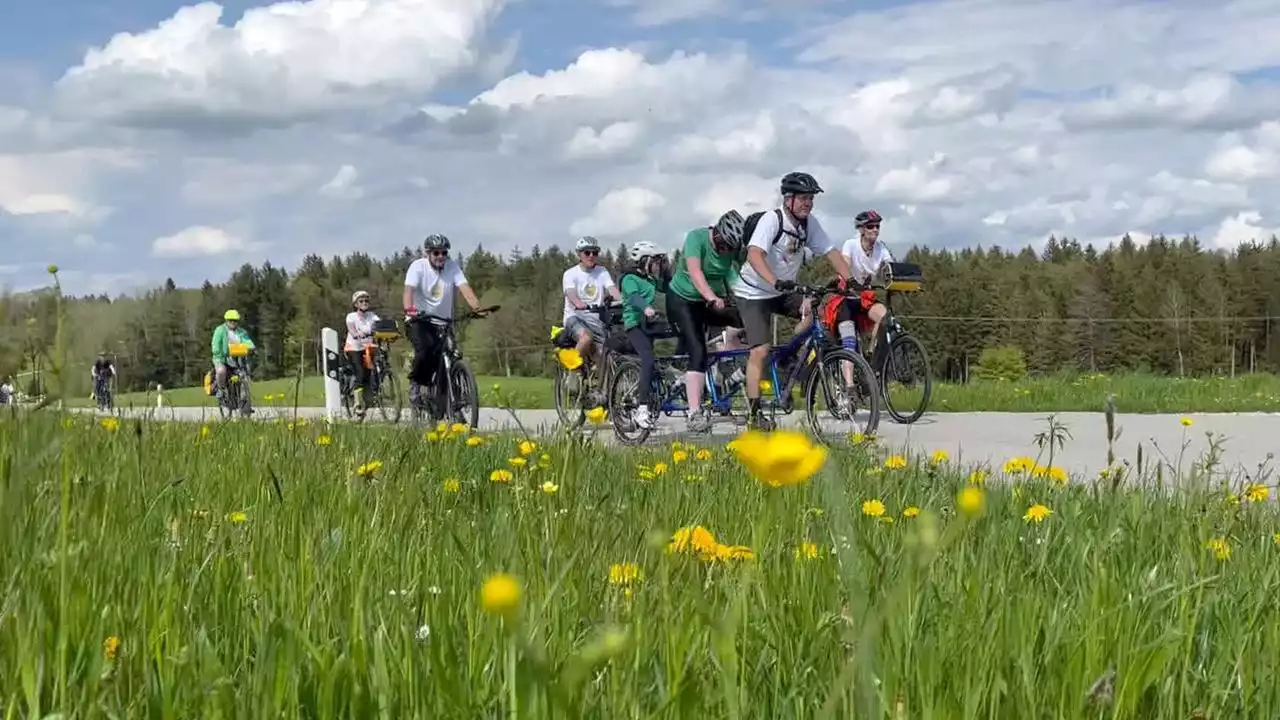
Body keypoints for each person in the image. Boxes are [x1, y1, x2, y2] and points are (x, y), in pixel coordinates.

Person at [728, 171, 853, 431]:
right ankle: (754, 416)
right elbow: (754, 254)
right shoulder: (771, 221)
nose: (808, 203)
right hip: (753, 293)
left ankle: (788, 356)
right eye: (804, 198)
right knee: (760, 351)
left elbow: (831, 253)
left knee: (815, 311)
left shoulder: (809, 225)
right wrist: (774, 281)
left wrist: (851, 282)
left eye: (811, 198)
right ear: (788, 199)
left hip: (782, 291)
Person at [666, 209, 748, 433]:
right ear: (718, 233)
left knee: (745, 320)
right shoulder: (696, 238)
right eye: (723, 246)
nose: (725, 251)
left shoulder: (730, 252)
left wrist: (748, 302)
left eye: (730, 248)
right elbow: (696, 273)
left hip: (710, 302)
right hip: (682, 301)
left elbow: (734, 278)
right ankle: (694, 414)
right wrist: (711, 297)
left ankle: (729, 364)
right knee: (697, 350)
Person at [402, 233, 485, 418]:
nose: (441, 257)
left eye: (444, 253)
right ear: (428, 253)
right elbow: (409, 291)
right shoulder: (418, 267)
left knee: (451, 357)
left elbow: (465, 288)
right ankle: (417, 384)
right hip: (420, 320)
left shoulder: (452, 267)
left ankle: (449, 404)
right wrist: (409, 309)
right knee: (425, 351)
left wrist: (477, 307)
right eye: (436, 253)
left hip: (444, 322)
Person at [561, 235, 622, 399]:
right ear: (579, 254)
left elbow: (611, 288)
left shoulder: (601, 272)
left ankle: (603, 395)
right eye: (587, 252)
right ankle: (572, 372)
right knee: (586, 339)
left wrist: (622, 300)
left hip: (597, 320)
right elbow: (570, 292)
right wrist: (577, 302)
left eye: (594, 252)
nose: (591, 256)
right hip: (575, 317)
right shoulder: (570, 273)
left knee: (606, 357)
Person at [826, 209, 893, 357]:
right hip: (847, 296)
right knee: (849, 343)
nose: (875, 229)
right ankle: (848, 379)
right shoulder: (851, 244)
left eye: (877, 226)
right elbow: (845, 265)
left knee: (884, 317)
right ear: (862, 229)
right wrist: (846, 280)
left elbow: (890, 266)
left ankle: (871, 355)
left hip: (866, 297)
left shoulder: (881, 247)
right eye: (870, 226)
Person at [617, 241, 670, 430]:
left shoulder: (652, 281)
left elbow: (669, 291)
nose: (658, 265)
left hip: (652, 325)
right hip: (635, 326)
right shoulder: (629, 279)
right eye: (655, 261)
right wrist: (645, 307)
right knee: (647, 359)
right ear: (645, 261)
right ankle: (642, 408)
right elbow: (632, 297)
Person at [344, 290, 380, 417]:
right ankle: (357, 403)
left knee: (368, 374)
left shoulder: (372, 316)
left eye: (366, 301)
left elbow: (379, 326)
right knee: (360, 372)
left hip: (368, 347)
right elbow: (352, 330)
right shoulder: (351, 317)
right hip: (353, 348)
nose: (365, 303)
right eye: (361, 301)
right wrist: (356, 334)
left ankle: (370, 397)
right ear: (355, 304)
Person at [211, 309, 256, 399]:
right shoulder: (220, 330)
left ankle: (244, 402)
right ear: (226, 321)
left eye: (235, 320)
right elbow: (215, 345)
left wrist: (252, 349)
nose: (232, 322)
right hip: (222, 358)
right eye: (230, 320)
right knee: (221, 371)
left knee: (244, 374)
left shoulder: (241, 332)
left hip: (238, 359)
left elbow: (248, 342)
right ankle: (221, 389)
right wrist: (219, 353)